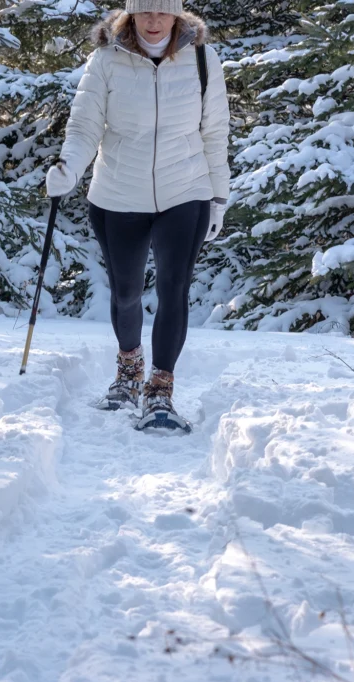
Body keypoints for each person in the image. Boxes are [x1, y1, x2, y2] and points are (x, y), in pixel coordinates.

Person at [45, 0, 231, 432]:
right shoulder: (106, 59)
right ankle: (129, 373)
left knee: (174, 289)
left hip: (185, 191)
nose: (153, 21)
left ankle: (160, 393)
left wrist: (218, 197)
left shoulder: (202, 58)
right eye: (144, 12)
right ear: (130, 14)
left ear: (178, 15)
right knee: (126, 292)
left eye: (162, 12)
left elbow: (215, 131)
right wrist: (68, 168)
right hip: (117, 193)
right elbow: (84, 127)